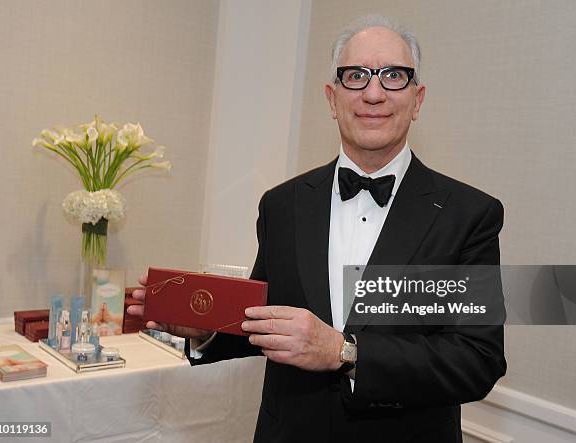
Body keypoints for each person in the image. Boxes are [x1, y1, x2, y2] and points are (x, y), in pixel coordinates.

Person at [129, 14, 506, 443]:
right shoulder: (282, 204)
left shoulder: (468, 215)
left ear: (417, 100)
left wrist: (344, 352)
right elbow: (263, 323)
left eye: (393, 76)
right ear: (332, 98)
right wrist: (207, 329)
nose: (374, 92)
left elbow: (476, 360)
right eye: (356, 75)